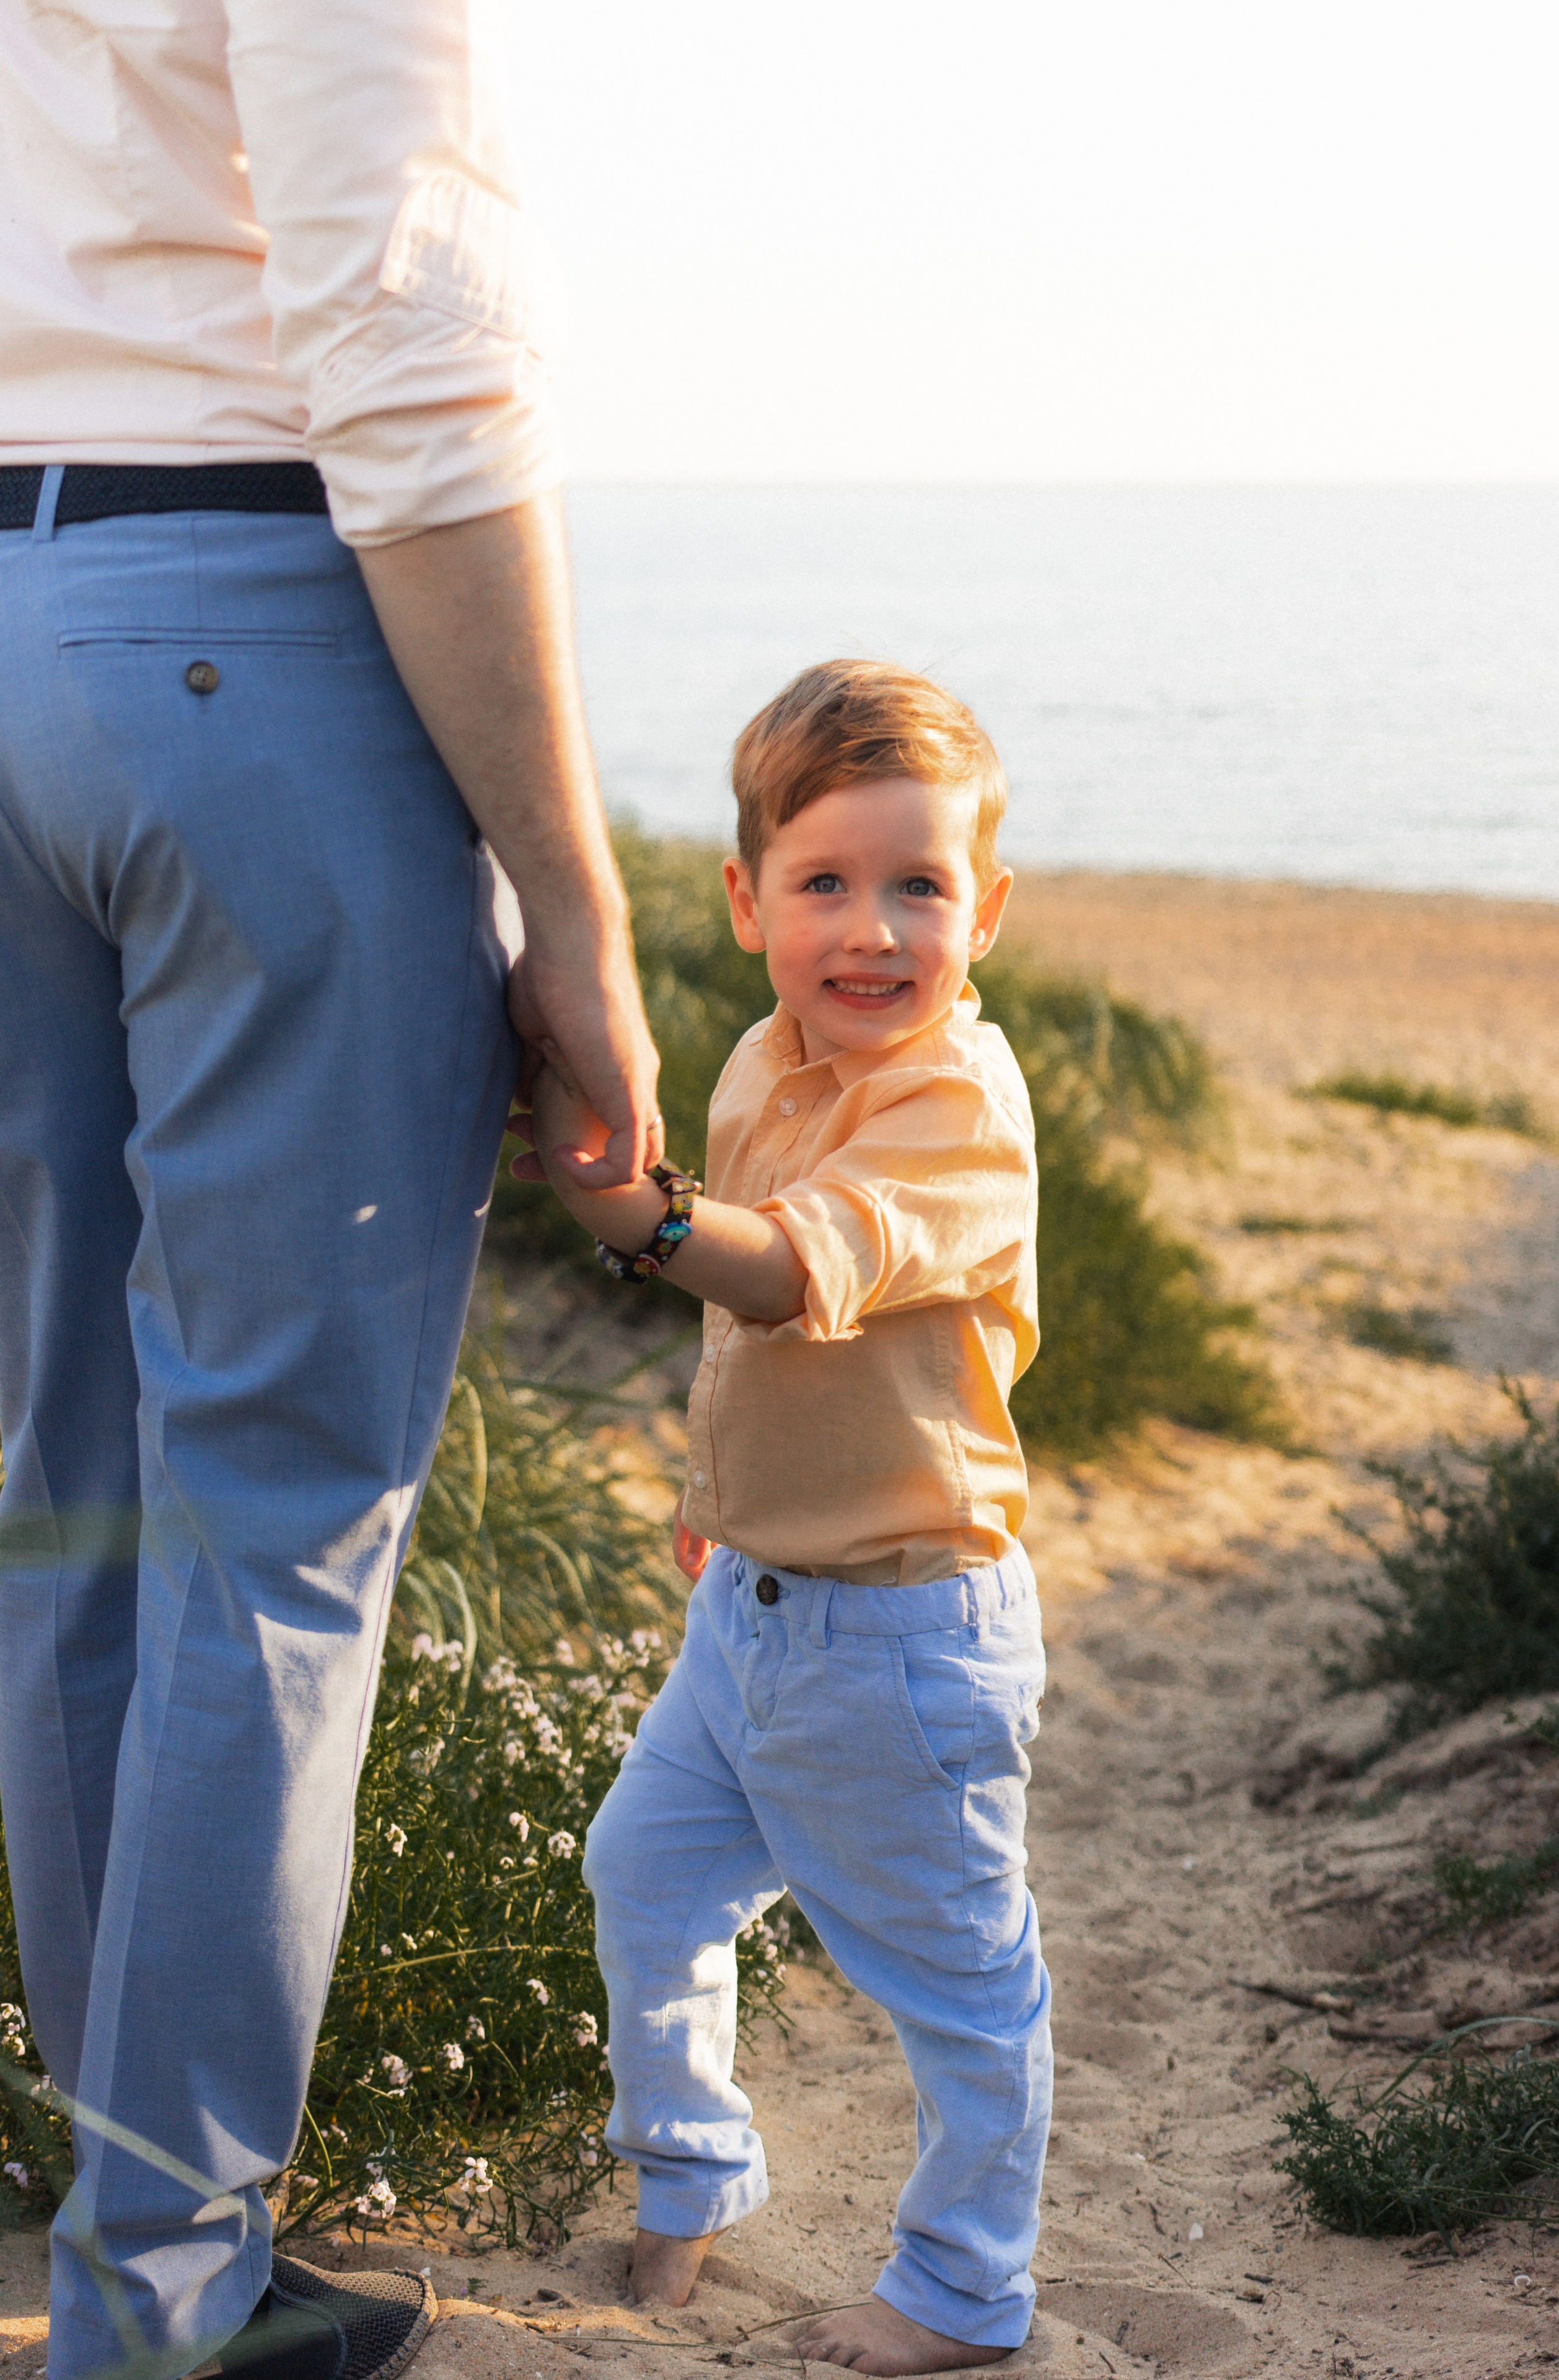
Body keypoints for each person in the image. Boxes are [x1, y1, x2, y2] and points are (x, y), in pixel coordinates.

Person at [0, 4, 657, 2377]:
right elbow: (405, 353)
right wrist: (573, 904)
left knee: (70, 1490)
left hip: (12, 626)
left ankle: (141, 2238)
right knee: (271, 1528)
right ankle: (162, 2297)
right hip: (248, 636)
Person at [523, 659, 1050, 2378]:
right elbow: (754, 1362)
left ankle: (964, 2292)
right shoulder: (766, 1055)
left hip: (903, 1635)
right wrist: (719, 1502)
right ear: (748, 903)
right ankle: (691, 2173)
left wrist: (633, 1211)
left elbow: (784, 1276)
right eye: (825, 881)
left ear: (986, 911)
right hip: (751, 1605)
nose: (873, 930)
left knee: (959, 1984)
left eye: (921, 887)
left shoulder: (958, 1106)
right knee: (645, 1875)